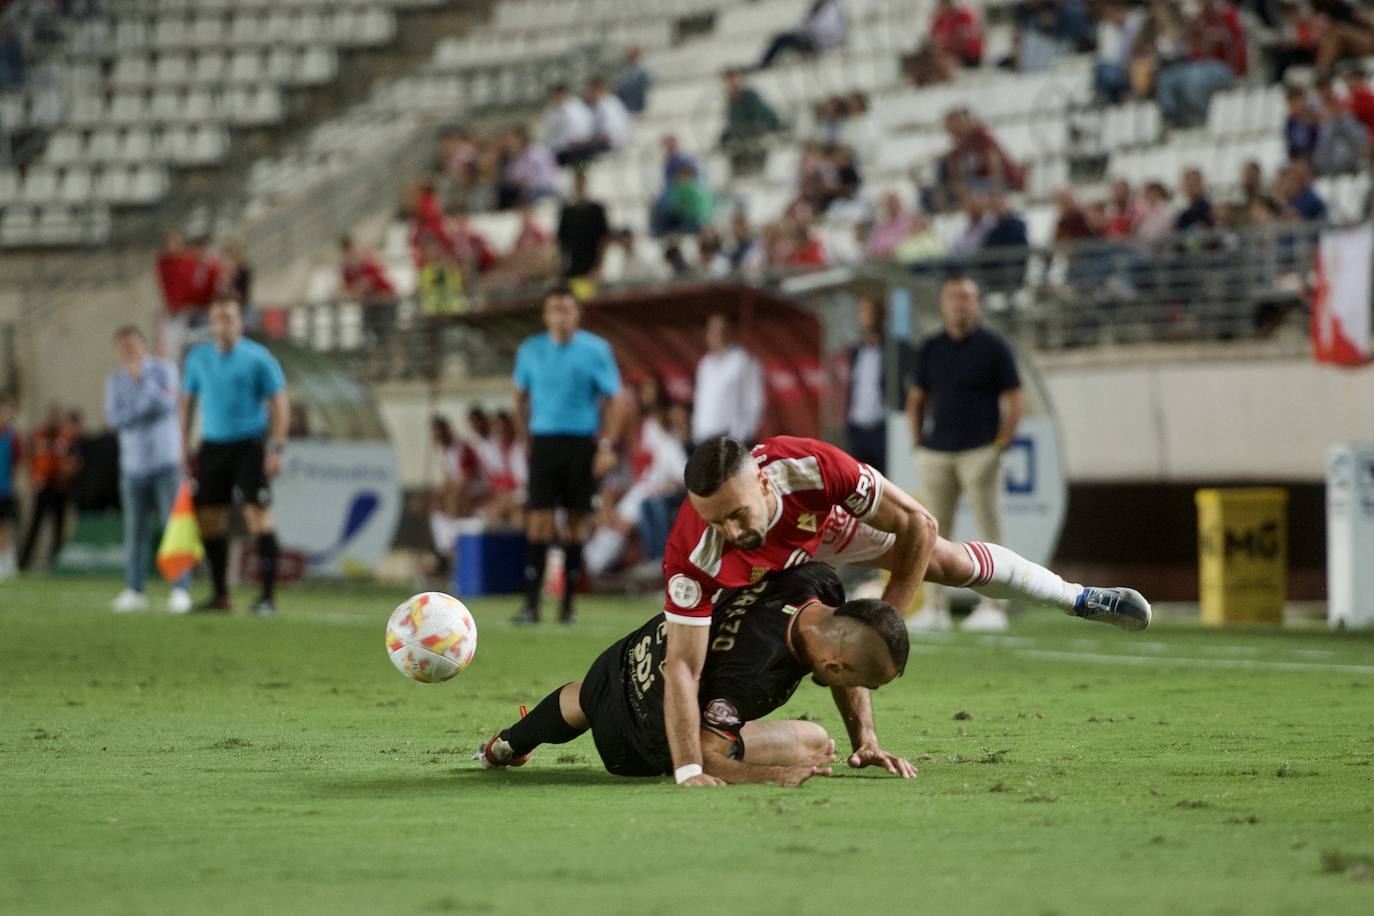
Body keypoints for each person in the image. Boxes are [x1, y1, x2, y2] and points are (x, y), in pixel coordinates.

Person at [652, 433, 1149, 786]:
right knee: (826, 649)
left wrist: (888, 617)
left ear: (764, 484)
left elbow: (918, 523)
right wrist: (689, 769)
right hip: (766, 583)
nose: (732, 532)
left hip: (824, 532)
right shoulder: (693, 552)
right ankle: (863, 740)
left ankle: (1077, 597)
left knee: (950, 562)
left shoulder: (811, 467)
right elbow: (682, 666)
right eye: (716, 522)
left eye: (737, 515)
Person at [477, 562, 916, 786]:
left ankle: (506, 745)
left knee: (590, 694)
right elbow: (703, 755)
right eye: (863, 682)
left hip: (620, 664)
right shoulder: (754, 673)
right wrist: (774, 775)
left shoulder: (814, 580)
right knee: (815, 740)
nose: (861, 689)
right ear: (835, 666)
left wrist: (867, 740)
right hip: (641, 754)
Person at [905, 276, 1025, 633]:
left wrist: (1000, 445)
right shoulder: (930, 347)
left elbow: (1015, 398)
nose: (960, 304)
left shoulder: (994, 347)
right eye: (953, 297)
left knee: (990, 529)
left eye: (966, 297)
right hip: (937, 452)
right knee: (931, 532)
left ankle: (993, 607)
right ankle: (934, 608)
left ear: (977, 303)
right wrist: (917, 443)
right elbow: (916, 399)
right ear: (944, 304)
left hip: (979, 452)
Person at [511, 288, 627, 625]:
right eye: (554, 310)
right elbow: (518, 399)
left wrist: (607, 445)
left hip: (581, 443)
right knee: (539, 521)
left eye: (566, 309)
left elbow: (616, 400)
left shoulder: (596, 350)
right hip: (544, 442)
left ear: (577, 314)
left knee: (577, 522)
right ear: (545, 315)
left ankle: (567, 606)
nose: (560, 316)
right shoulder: (530, 350)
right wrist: (526, 440)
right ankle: (531, 605)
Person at [178, 298, 289, 615]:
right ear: (211, 323)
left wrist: (276, 447)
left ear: (240, 322)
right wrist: (181, 445)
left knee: (258, 516)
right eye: (217, 318)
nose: (223, 323)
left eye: (229, 317)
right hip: (212, 446)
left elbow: (279, 402)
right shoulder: (198, 357)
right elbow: (186, 402)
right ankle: (220, 595)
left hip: (249, 445)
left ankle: (267, 598)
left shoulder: (258, 357)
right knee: (209, 520)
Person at [106, 326, 192, 613]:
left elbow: (167, 404)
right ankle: (134, 589)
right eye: (123, 347)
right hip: (133, 464)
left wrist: (141, 382)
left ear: (143, 345)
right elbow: (114, 419)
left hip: (166, 461)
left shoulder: (164, 370)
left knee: (174, 527)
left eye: (132, 344)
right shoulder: (115, 379)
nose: (128, 351)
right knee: (135, 530)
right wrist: (144, 405)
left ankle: (180, 589)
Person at [846, 297, 914, 477]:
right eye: (863, 312)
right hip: (857, 427)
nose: (867, 317)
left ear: (882, 316)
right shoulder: (855, 351)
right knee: (857, 480)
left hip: (883, 427)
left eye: (871, 312)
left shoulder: (895, 349)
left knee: (884, 480)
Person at [17, 403, 76, 571]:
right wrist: (33, 477)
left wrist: (67, 474)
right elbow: (28, 456)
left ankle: (55, 564)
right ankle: (23, 564)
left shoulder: (66, 437)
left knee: (58, 528)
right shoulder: (39, 435)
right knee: (34, 526)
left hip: (59, 487)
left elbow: (73, 458)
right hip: (43, 487)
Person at [691, 312, 765, 447]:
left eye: (722, 331)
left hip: (732, 438)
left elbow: (754, 400)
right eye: (713, 332)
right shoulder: (705, 363)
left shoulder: (743, 360)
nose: (717, 336)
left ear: (731, 332)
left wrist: (740, 436)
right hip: (704, 438)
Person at [556, 171, 611, 287]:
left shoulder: (596, 210)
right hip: (573, 268)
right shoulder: (567, 211)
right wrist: (561, 268)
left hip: (591, 268)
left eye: (582, 181)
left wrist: (598, 266)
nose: (579, 185)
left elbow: (603, 239)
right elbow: (562, 242)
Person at [755, 0, 847, 70]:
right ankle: (766, 63)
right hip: (814, 40)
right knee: (784, 39)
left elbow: (822, 29)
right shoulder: (823, 7)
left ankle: (764, 64)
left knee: (783, 39)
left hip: (816, 42)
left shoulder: (830, 8)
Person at [0, 396, 19, 580]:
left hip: (4, 489)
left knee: (5, 526)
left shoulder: (12, 437)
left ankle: (7, 562)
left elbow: (17, 462)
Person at [614, 45, 651, 114]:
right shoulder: (625, 69)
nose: (631, 58)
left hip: (636, 102)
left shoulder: (642, 71)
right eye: (630, 55)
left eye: (634, 55)